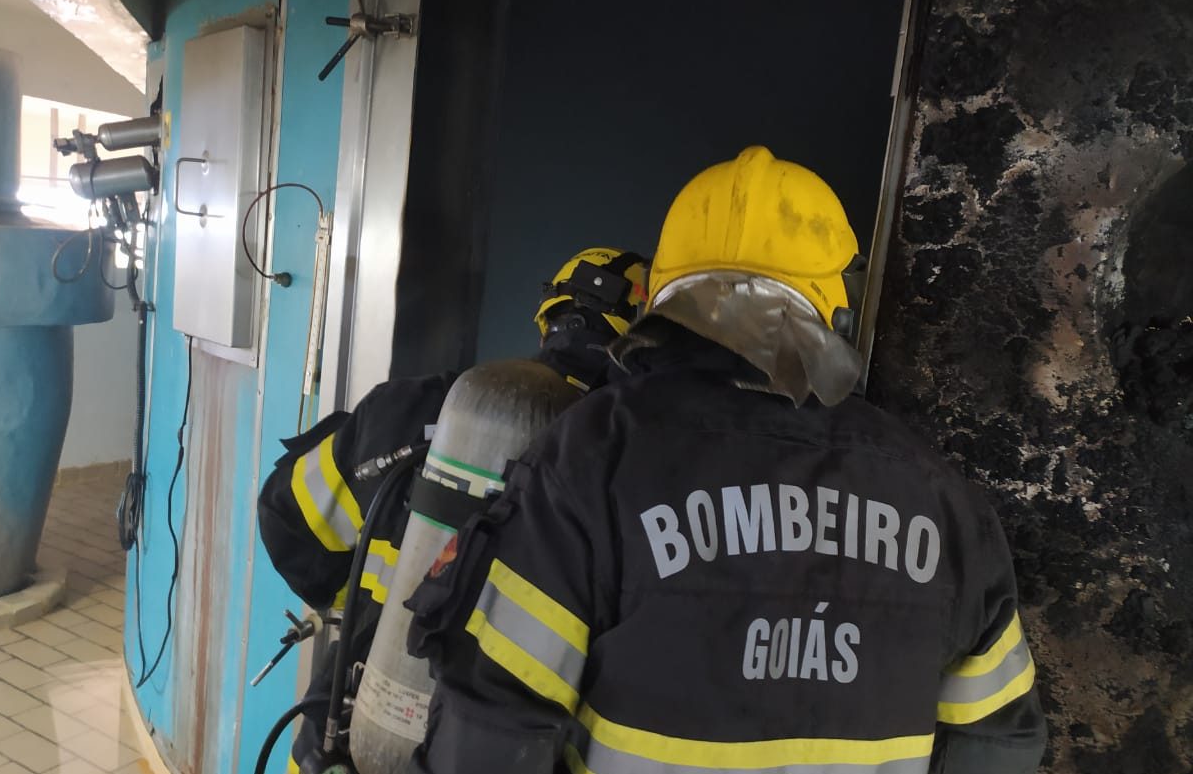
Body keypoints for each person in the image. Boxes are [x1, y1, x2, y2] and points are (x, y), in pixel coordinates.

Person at [406, 146, 1047, 774]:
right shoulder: (942, 499)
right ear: (838, 308)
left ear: (659, 293)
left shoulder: (592, 456)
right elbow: (998, 742)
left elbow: (493, 726)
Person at [256, 246, 649, 773]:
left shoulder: (404, 410)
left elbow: (288, 517)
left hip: (341, 736)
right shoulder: (628, 473)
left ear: (547, 319)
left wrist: (372, 608)